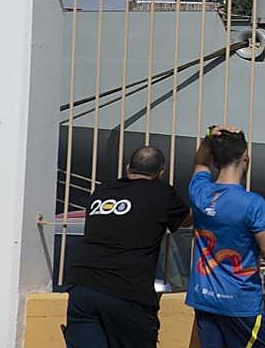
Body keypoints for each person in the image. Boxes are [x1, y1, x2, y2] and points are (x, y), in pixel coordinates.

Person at [63, 146, 190, 348]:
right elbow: (186, 220)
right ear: (161, 173)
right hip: (127, 293)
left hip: (83, 289)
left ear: (128, 167)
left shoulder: (103, 190)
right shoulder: (161, 192)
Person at [186, 125, 265, 348]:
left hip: (204, 298)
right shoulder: (252, 203)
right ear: (244, 158)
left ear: (215, 159)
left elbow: (200, 162)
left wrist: (210, 137)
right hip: (240, 302)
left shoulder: (199, 192)